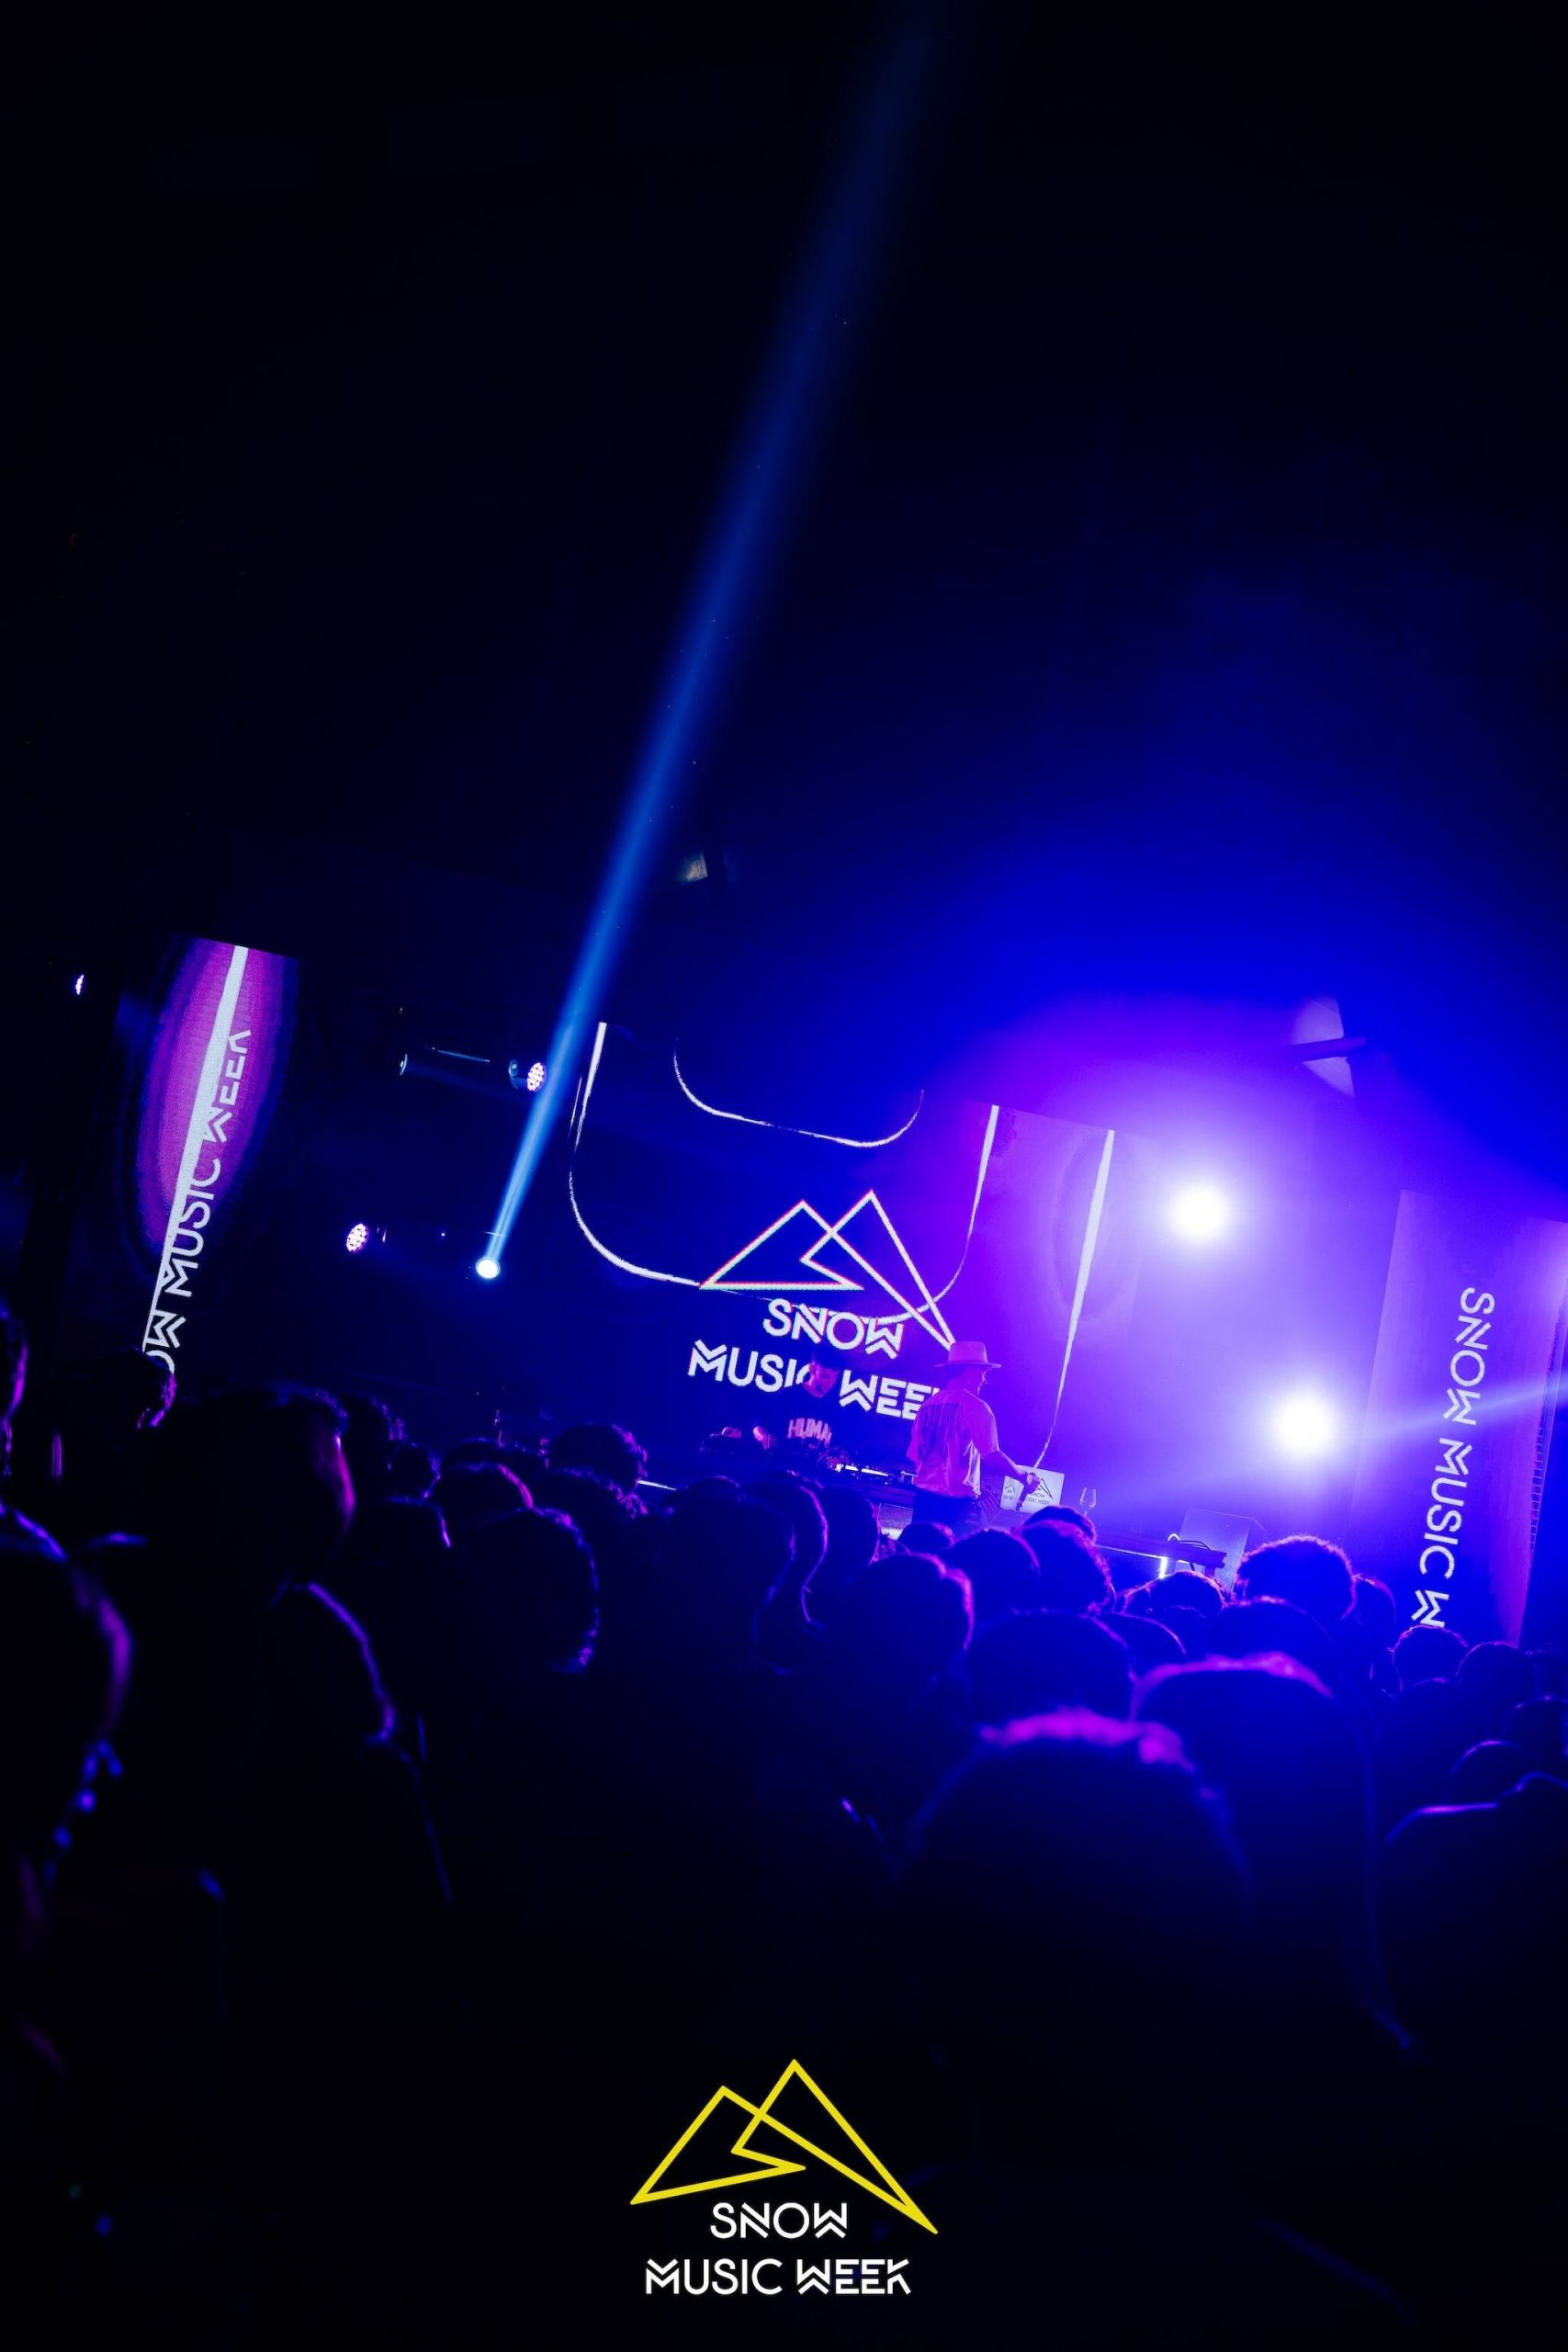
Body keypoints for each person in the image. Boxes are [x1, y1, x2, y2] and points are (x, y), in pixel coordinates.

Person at [905, 1340, 1043, 1534]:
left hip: (924, 1502)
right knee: (967, 1551)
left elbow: (916, 1456)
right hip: (956, 1508)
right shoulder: (975, 1407)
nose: (984, 1380)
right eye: (983, 1372)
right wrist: (1024, 1477)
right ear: (970, 1372)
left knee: (921, 1548)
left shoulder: (926, 1407)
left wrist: (972, 1483)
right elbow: (992, 1455)